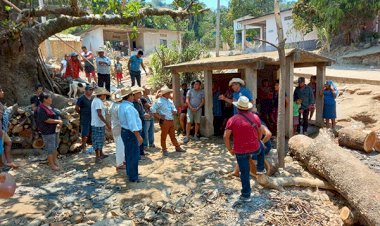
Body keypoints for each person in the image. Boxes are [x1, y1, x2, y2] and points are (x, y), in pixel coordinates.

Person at [224, 96, 265, 202]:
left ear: (237, 108)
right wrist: (258, 140)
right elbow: (260, 131)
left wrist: (230, 149)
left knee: (244, 172)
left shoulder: (232, 120)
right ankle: (260, 168)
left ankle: (246, 195)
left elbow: (226, 136)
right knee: (261, 147)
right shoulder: (255, 117)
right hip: (254, 148)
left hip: (240, 150)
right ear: (248, 108)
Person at [151, 86, 185, 156]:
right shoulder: (159, 101)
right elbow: (152, 109)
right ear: (165, 94)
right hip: (165, 121)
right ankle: (164, 149)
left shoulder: (169, 101)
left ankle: (177, 147)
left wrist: (174, 111)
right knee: (164, 136)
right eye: (168, 93)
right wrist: (159, 117)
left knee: (172, 135)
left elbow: (174, 108)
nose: (169, 94)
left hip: (170, 120)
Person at [118, 87, 144, 182]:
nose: (133, 97)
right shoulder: (129, 108)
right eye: (132, 95)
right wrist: (138, 136)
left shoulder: (122, 106)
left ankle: (131, 173)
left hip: (125, 132)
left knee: (129, 153)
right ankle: (133, 176)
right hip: (130, 133)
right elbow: (132, 124)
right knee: (133, 154)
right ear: (129, 96)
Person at [36, 93, 63, 171]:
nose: (51, 99)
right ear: (45, 99)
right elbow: (46, 120)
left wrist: (58, 121)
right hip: (47, 131)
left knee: (54, 147)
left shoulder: (49, 107)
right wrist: (57, 121)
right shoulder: (41, 109)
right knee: (50, 149)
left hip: (54, 130)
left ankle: (54, 161)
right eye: (50, 98)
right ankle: (51, 165)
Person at [91, 87, 111, 163]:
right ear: (101, 95)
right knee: (97, 140)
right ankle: (97, 156)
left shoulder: (97, 100)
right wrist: (107, 123)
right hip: (97, 124)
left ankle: (101, 154)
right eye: (104, 95)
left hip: (99, 124)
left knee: (101, 139)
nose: (105, 96)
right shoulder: (98, 102)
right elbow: (99, 114)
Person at [0, 86, 17, 169]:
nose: (3, 92)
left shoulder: (0, 103)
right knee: (0, 147)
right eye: (1, 91)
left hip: (3, 128)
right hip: (0, 129)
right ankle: (2, 165)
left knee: (8, 142)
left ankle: (8, 161)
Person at [75, 85, 94, 151]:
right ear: (85, 90)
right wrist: (81, 113)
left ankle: (91, 144)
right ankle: (83, 146)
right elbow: (76, 108)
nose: (91, 91)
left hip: (92, 117)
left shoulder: (92, 98)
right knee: (84, 132)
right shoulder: (81, 98)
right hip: (84, 118)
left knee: (91, 131)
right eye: (90, 90)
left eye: (92, 90)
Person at [110, 89, 125, 170]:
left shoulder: (112, 105)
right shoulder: (119, 106)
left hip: (114, 126)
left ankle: (122, 161)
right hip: (119, 127)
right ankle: (119, 163)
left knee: (119, 145)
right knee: (120, 146)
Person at [131, 86, 147, 158]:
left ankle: (141, 152)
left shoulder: (139, 101)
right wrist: (143, 116)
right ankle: (138, 155)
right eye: (138, 93)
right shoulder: (132, 104)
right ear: (134, 95)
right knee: (137, 138)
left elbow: (141, 111)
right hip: (137, 123)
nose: (140, 94)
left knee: (142, 136)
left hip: (141, 121)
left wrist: (144, 114)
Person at [141, 85, 155, 150]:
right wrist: (153, 105)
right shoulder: (142, 98)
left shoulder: (147, 97)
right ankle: (145, 144)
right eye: (148, 90)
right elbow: (149, 106)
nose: (149, 90)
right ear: (144, 91)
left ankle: (151, 143)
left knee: (151, 130)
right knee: (146, 131)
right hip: (146, 117)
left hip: (150, 116)